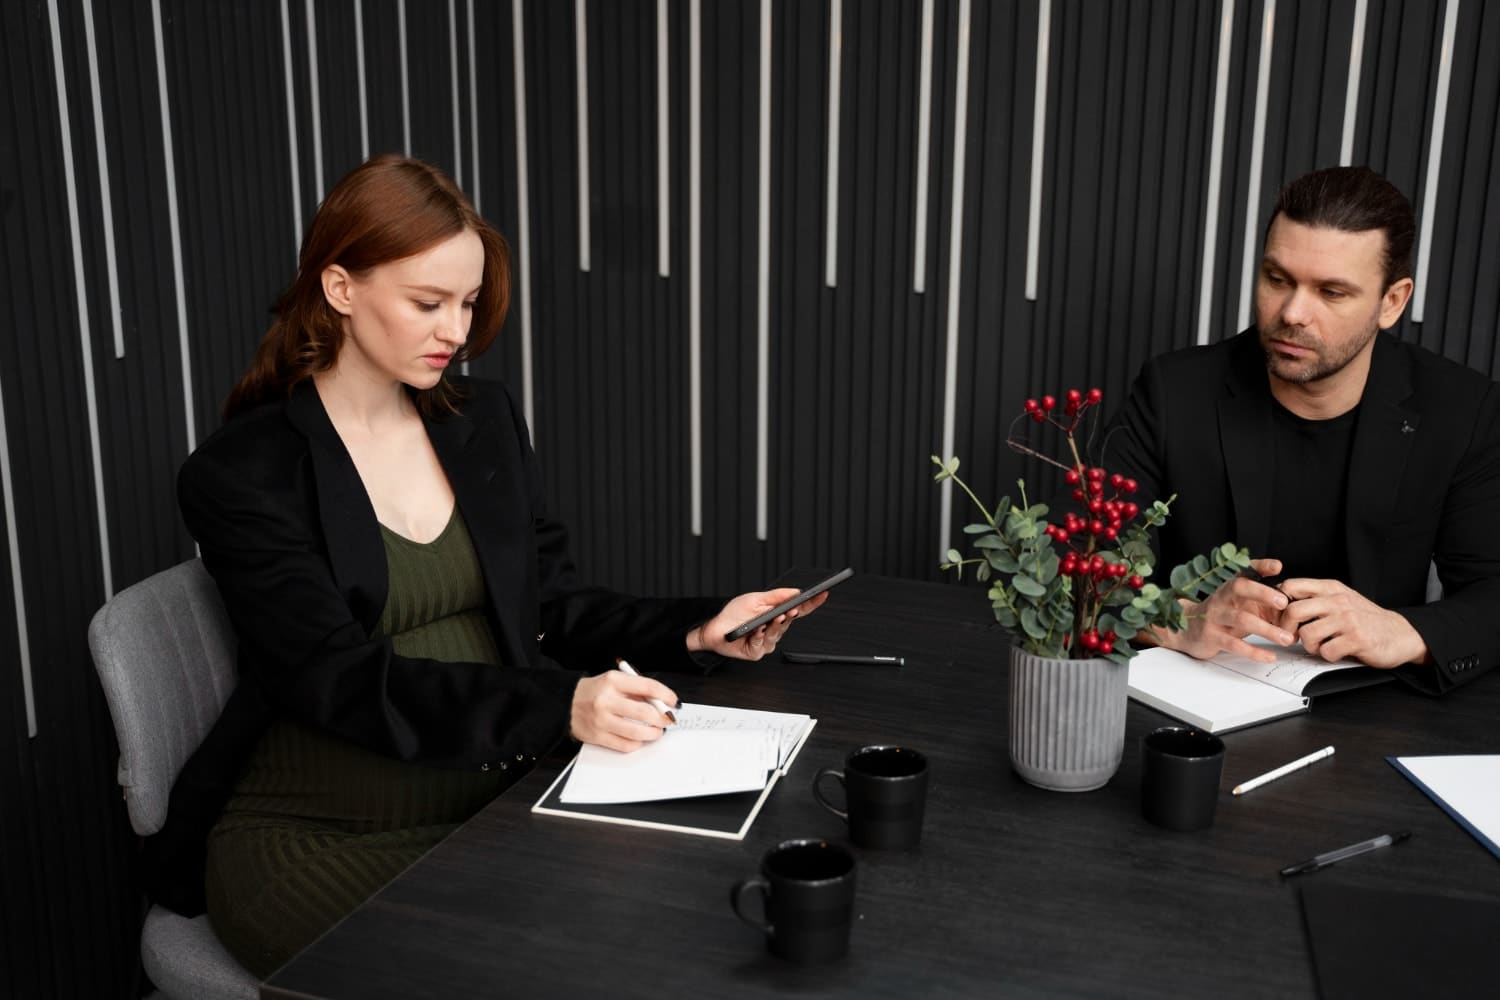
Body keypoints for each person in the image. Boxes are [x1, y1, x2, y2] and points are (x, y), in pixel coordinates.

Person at [157, 154, 827, 977]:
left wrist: (696, 629)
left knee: (675, 932)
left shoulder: (482, 423)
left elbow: (551, 604)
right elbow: (333, 678)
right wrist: (560, 705)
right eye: (427, 303)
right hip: (319, 839)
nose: (457, 332)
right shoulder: (242, 474)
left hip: (499, 803)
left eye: (468, 303)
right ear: (340, 290)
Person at [1106, 165, 1500, 694]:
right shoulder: (1173, 391)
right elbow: (1079, 565)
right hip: (1189, 705)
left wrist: (1402, 630)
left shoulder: (1463, 409)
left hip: (1378, 716)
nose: (1293, 312)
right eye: (1277, 279)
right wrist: (1178, 618)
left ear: (1392, 302)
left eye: (1332, 292)